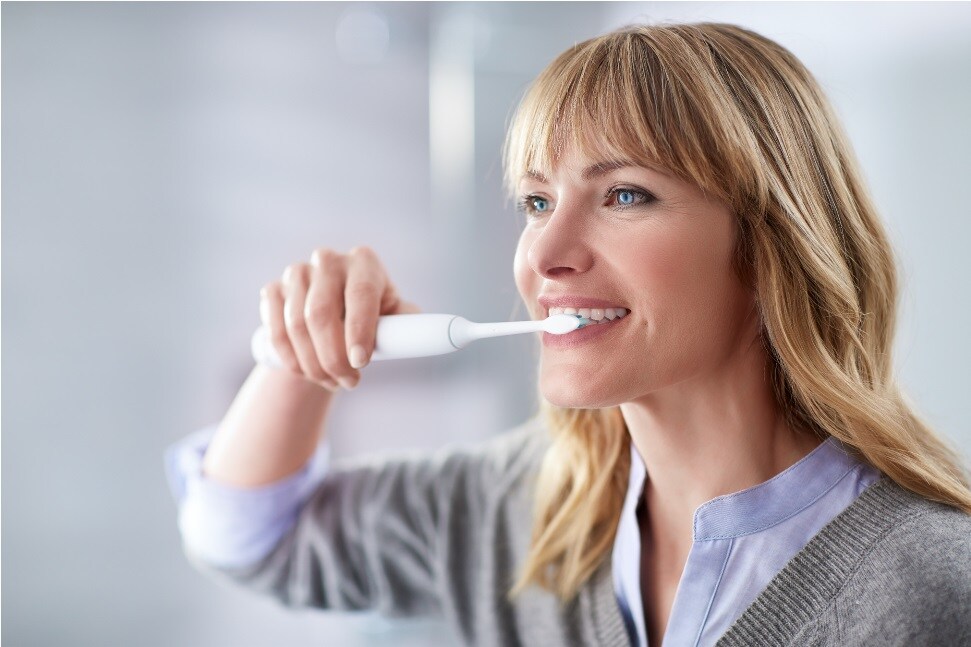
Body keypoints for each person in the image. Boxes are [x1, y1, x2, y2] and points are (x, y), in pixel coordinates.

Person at [166, 23, 971, 646]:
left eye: (623, 195)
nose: (544, 254)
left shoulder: (924, 589)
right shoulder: (520, 509)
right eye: (537, 201)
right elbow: (247, 535)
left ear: (768, 247)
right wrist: (303, 352)